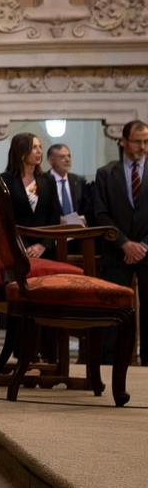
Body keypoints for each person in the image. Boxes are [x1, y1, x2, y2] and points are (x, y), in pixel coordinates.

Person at [93, 119, 148, 363]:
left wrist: (142, 246)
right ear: (123, 141)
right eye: (137, 141)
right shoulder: (106, 173)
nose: (143, 147)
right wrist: (125, 243)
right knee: (115, 309)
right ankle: (110, 362)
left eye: (146, 141)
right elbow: (101, 214)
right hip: (116, 251)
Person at [2, 132, 60, 258]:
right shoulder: (4, 181)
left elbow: (54, 217)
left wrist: (42, 245)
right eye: (34, 147)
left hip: (45, 250)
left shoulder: (47, 180)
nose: (39, 151)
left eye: (40, 147)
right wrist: (22, 245)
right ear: (21, 152)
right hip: (16, 249)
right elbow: (4, 218)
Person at [48, 142, 90, 233]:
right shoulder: (43, 181)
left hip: (77, 233)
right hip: (53, 233)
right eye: (62, 157)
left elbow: (86, 206)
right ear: (51, 160)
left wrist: (85, 218)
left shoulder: (78, 181)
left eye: (69, 156)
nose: (67, 160)